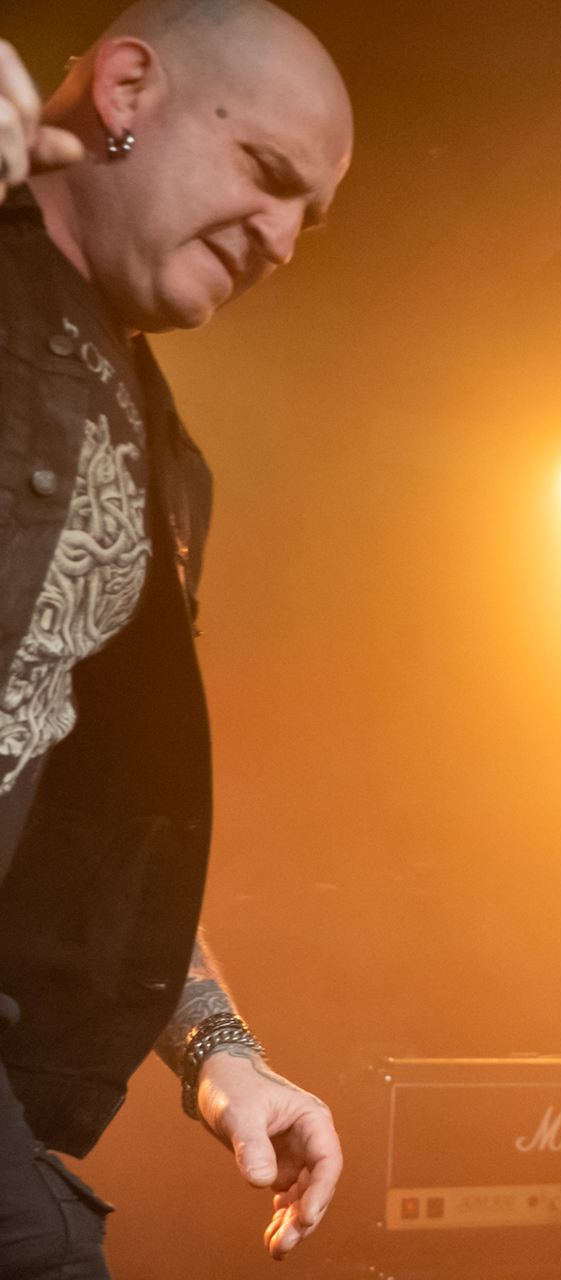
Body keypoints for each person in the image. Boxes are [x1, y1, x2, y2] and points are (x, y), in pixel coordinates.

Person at [0, 1, 351, 1272]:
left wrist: (219, 1049)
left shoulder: (170, 464)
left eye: (307, 217)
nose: (281, 240)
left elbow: (88, 812)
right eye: (265, 172)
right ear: (127, 90)